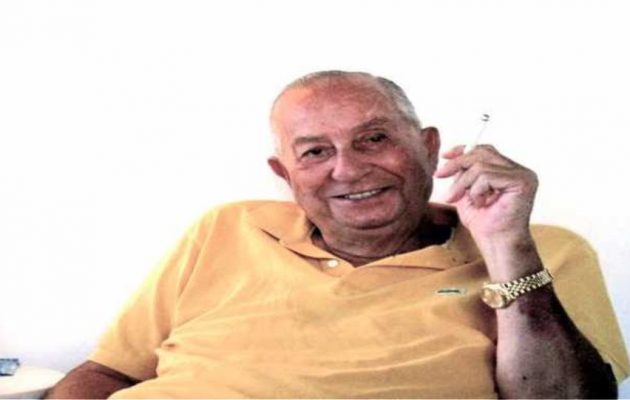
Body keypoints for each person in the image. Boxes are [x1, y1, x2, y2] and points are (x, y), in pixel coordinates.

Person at [48, 71, 629, 398]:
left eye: (374, 139)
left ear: (428, 148)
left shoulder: (538, 251)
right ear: (285, 175)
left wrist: (505, 244)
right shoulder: (226, 228)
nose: (347, 170)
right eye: (315, 152)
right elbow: (106, 374)